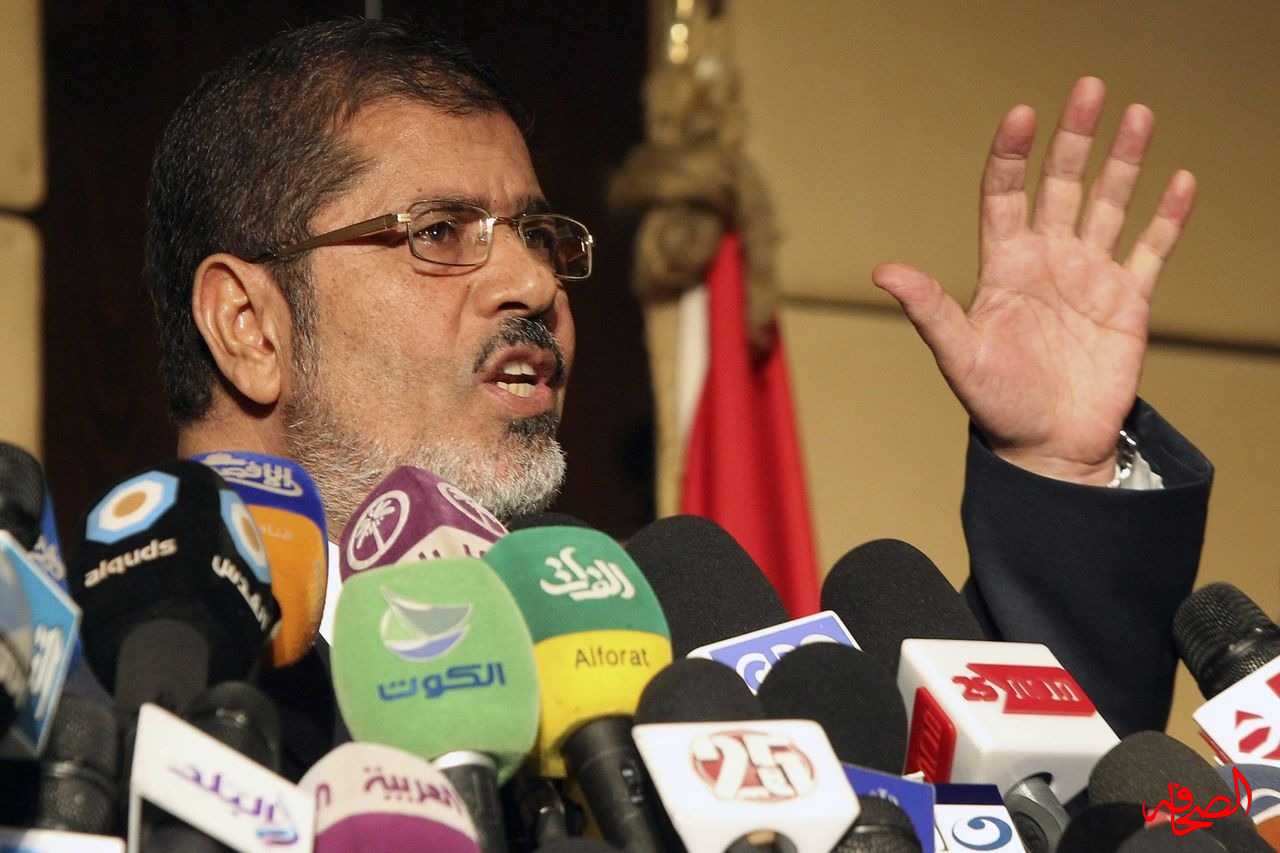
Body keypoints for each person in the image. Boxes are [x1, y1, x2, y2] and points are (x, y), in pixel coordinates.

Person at [145, 19, 1210, 770]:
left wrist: (1059, 468)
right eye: (437, 233)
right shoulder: (117, 707)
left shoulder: (666, 690)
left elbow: (1022, 788)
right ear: (250, 326)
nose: (533, 284)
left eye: (538, 236)